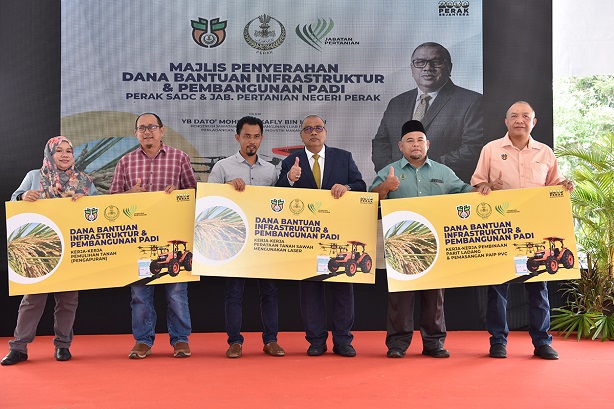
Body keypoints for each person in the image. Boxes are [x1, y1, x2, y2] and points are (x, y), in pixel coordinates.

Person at [371, 120, 487, 359]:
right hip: (401, 243)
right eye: (410, 141)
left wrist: (483, 189)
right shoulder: (389, 171)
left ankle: (434, 343)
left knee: (435, 297)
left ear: (428, 144)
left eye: (420, 140)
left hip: (434, 243)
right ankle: (397, 344)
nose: (415, 145)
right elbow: (370, 200)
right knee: (400, 298)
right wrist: (385, 187)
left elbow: (465, 191)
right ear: (401, 146)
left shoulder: (443, 172)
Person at [471, 101, 574, 360]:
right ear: (506, 122)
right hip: (501, 230)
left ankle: (542, 342)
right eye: (514, 116)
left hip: (536, 229)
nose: (520, 120)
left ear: (533, 122)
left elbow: (555, 186)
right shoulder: (491, 149)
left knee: (538, 288)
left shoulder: (545, 152)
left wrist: (565, 186)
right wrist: (485, 187)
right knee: (498, 289)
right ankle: (498, 341)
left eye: (525, 116)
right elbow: (477, 183)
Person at [2, 136, 98, 366]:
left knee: (68, 300)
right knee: (32, 299)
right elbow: (15, 199)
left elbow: (99, 211)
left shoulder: (84, 180)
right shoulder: (34, 176)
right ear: (50, 154)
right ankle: (19, 348)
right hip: (40, 247)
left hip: (73, 248)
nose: (65, 155)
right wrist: (23, 196)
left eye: (69, 151)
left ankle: (63, 345)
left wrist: (87, 201)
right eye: (59, 151)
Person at [276, 115, 366, 357]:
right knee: (310, 291)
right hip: (307, 238)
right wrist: (290, 179)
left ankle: (343, 340)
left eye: (318, 128)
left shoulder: (343, 157)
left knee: (342, 288)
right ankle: (316, 341)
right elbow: (277, 197)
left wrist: (347, 188)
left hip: (339, 235)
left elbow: (361, 185)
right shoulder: (290, 162)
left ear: (325, 132)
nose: (313, 132)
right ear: (301, 135)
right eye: (308, 129)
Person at [109, 112, 197, 359]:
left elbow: (194, 192)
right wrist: (131, 194)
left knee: (176, 292)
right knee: (140, 293)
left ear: (162, 131)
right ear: (135, 133)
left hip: (173, 235)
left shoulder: (179, 158)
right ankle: (143, 340)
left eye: (152, 127)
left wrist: (179, 192)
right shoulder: (125, 162)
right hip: (139, 240)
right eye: (142, 128)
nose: (147, 132)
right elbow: (111, 202)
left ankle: (180, 339)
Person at [208, 116, 285, 358]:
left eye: (256, 136)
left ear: (261, 138)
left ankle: (271, 341)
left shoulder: (271, 170)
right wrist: (227, 188)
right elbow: (209, 201)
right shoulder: (223, 168)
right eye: (247, 136)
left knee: (269, 293)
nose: (252, 141)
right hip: (234, 239)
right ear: (237, 137)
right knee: (234, 293)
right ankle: (234, 342)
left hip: (264, 240)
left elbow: (279, 204)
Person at [372, 42, 485, 183]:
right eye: (420, 62)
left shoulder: (471, 101)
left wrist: (424, 172)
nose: (427, 68)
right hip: (398, 186)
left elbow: (471, 148)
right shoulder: (396, 103)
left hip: (443, 187)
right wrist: (394, 174)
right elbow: (380, 143)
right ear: (412, 68)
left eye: (436, 62)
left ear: (449, 67)